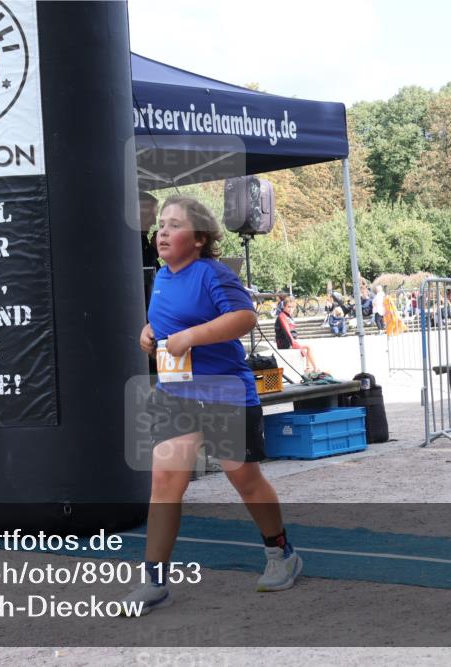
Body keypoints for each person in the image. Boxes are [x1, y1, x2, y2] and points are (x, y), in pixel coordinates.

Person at [124, 195, 302, 616]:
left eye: (174, 225)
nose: (162, 232)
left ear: (199, 238)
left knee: (245, 480)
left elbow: (244, 319)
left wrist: (192, 337)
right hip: (177, 394)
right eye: (160, 225)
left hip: (224, 392)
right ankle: (154, 581)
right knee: (165, 481)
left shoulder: (213, 273)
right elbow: (168, 323)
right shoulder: (164, 276)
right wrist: (148, 334)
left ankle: (282, 554)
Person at [274, 294, 320, 373]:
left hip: (289, 341)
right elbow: (287, 332)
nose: (290, 309)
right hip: (285, 343)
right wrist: (295, 345)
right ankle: (315, 369)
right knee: (308, 347)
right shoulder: (282, 316)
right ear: (284, 307)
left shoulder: (288, 316)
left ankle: (308, 368)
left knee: (307, 347)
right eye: (288, 307)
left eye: (292, 307)